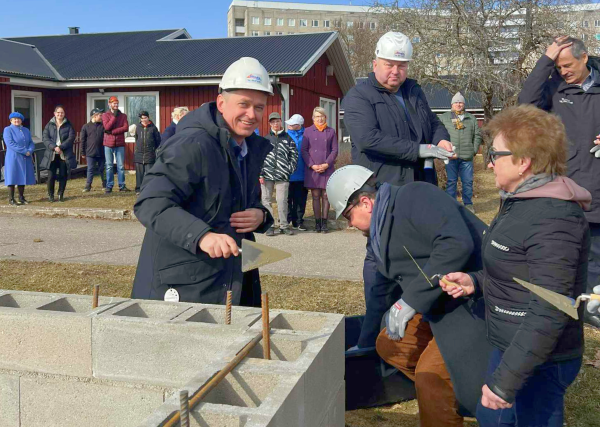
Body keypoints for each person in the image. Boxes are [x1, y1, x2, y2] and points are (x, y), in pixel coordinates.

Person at [442, 105, 590, 427]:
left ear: (523, 162)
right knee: (490, 418)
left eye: (495, 155)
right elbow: (519, 272)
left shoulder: (553, 218)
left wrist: (506, 381)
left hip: (541, 359)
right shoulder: (520, 201)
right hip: (513, 346)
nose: (489, 162)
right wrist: (475, 281)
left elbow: (551, 307)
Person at [326, 165, 491, 426]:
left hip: (475, 303)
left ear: (366, 203)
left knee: (430, 377)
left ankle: (452, 391)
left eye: (348, 216)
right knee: (389, 345)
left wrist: (411, 300)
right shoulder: (378, 237)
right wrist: (364, 343)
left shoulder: (415, 196)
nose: (350, 224)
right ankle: (456, 389)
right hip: (441, 308)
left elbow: (455, 243)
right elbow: (380, 293)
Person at [341, 31, 455, 349]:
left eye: (402, 66)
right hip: (384, 191)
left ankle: (417, 332)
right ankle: (372, 338)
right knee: (381, 263)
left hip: (419, 190)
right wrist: (420, 150)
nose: (396, 71)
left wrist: (441, 138)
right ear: (375, 62)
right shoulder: (359, 96)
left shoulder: (413, 91)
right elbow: (369, 139)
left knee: (422, 257)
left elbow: (432, 123)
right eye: (390, 64)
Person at [131, 57, 274, 307]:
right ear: (221, 103)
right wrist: (202, 236)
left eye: (259, 107)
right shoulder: (192, 144)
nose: (252, 115)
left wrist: (260, 215)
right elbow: (150, 203)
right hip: (184, 285)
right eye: (244, 104)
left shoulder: (248, 148)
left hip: (230, 277)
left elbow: (234, 202)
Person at [518, 36, 600, 328]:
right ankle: (573, 306)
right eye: (558, 66)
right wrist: (545, 60)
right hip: (566, 185)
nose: (563, 71)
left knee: (595, 252)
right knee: (567, 251)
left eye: (567, 65)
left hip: (597, 183)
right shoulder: (554, 88)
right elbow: (525, 105)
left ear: (584, 57)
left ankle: (592, 306)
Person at [439, 92, 482, 214]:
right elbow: (439, 133)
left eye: (460, 102)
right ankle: (451, 205)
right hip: (451, 155)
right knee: (451, 181)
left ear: (464, 104)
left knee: (467, 182)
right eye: (456, 102)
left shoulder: (471, 118)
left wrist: (474, 150)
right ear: (452, 104)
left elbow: (477, 135)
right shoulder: (444, 118)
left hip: (467, 156)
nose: (458, 104)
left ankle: (468, 204)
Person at [260, 112, 298, 236]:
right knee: (266, 200)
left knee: (282, 200)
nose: (275, 124)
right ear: (270, 123)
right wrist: (260, 173)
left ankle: (284, 225)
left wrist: (289, 169)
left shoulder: (288, 138)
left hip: (283, 175)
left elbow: (294, 155)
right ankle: (270, 225)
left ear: (281, 122)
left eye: (277, 121)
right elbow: (259, 158)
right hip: (267, 175)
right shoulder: (265, 139)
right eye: (273, 122)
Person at [301, 107, 338, 233]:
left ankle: (324, 223)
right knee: (315, 195)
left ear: (325, 117)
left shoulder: (331, 131)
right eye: (317, 116)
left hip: (327, 167)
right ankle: (317, 223)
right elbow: (304, 150)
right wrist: (312, 165)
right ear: (313, 118)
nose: (319, 118)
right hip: (313, 169)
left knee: (326, 195)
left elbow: (334, 150)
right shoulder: (307, 131)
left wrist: (327, 164)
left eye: (321, 116)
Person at [41, 105, 76, 202]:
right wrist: (54, 147)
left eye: (62, 112)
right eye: (58, 112)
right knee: (51, 176)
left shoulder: (68, 125)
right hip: (51, 154)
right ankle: (51, 195)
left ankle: (61, 194)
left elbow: (71, 138)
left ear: (64, 114)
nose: (60, 114)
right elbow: (45, 138)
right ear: (54, 114)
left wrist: (61, 147)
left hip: (63, 154)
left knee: (63, 175)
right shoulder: (49, 125)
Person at [2, 112, 35, 205]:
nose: (17, 120)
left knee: (22, 176)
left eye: (19, 119)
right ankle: (11, 199)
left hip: (24, 157)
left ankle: (21, 197)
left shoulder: (26, 130)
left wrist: (30, 150)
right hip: (13, 157)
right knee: (12, 177)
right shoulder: (8, 130)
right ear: (11, 120)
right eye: (15, 119)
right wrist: (24, 151)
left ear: (21, 120)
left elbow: (31, 142)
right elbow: (10, 143)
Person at [102, 96, 130, 194]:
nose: (116, 105)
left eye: (117, 103)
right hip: (108, 144)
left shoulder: (123, 116)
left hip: (119, 143)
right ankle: (109, 186)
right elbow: (107, 127)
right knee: (109, 166)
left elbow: (126, 128)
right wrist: (114, 116)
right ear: (109, 104)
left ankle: (122, 185)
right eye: (114, 103)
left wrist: (113, 132)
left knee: (121, 166)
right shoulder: (105, 115)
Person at [286, 114, 308, 231]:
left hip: (303, 173)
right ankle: (287, 220)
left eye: (292, 124)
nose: (289, 125)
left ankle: (298, 221)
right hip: (288, 174)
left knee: (300, 199)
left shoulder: (307, 135)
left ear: (299, 125)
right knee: (287, 198)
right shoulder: (285, 135)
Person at [134, 111, 161, 195]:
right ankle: (138, 189)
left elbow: (158, 140)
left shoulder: (153, 128)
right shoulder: (138, 127)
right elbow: (137, 139)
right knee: (139, 174)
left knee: (149, 173)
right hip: (139, 154)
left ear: (148, 117)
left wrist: (152, 149)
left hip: (149, 154)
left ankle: (149, 189)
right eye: (142, 118)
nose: (143, 120)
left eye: (145, 118)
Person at [81, 108, 107, 192]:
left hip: (101, 152)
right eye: (100, 115)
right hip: (90, 153)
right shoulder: (86, 126)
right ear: (94, 116)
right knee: (90, 169)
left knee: (102, 169)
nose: (101, 117)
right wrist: (82, 152)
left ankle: (105, 184)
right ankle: (88, 186)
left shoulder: (103, 126)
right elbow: (83, 140)